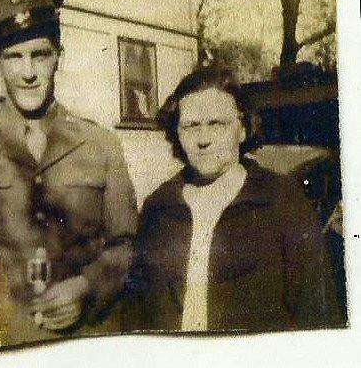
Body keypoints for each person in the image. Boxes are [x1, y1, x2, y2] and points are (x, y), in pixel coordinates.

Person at [0, 0, 138, 346]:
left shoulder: (101, 144)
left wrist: (85, 287)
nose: (28, 73)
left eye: (40, 55)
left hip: (86, 341)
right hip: (0, 343)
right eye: (14, 57)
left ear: (59, 56)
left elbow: (126, 246)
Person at [129, 68, 343, 331]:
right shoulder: (158, 209)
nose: (203, 140)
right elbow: (138, 314)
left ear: (242, 130)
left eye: (217, 124)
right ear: (176, 133)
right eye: (191, 126)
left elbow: (318, 315)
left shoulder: (281, 200)